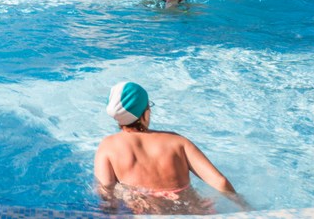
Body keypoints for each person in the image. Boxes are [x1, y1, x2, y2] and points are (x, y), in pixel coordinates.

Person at [94, 81, 248, 214]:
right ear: (145, 114)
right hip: (193, 210)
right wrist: (245, 207)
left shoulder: (108, 146)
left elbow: (106, 190)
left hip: (148, 211)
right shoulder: (177, 141)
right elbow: (219, 181)